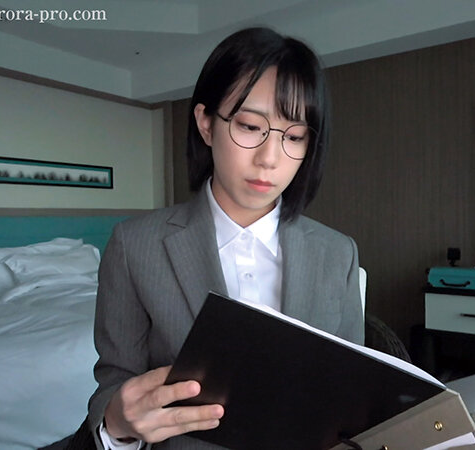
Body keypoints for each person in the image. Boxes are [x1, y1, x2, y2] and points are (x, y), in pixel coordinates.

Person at [86, 27, 364, 450]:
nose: (269, 159)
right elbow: (115, 386)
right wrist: (117, 424)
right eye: (250, 126)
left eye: (293, 137)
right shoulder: (134, 246)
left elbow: (350, 392)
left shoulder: (338, 253)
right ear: (206, 124)